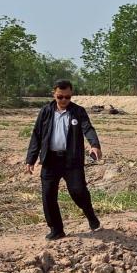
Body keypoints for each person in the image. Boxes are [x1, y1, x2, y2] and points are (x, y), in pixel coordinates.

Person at [25, 79, 102, 240]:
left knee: (78, 191)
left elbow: (87, 128)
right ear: (54, 94)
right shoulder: (45, 111)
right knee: (48, 196)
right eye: (60, 97)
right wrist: (30, 159)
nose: (64, 100)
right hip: (50, 160)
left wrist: (94, 145)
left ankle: (90, 214)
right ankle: (56, 229)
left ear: (71, 95)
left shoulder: (78, 112)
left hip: (71, 160)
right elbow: (36, 135)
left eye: (67, 97)